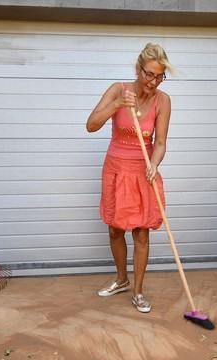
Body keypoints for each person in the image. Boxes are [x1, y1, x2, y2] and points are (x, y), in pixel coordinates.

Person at [86, 43, 172, 313]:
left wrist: (155, 163)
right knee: (114, 228)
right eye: (149, 74)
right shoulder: (118, 90)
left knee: (141, 232)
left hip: (142, 170)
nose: (154, 81)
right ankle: (121, 279)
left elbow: (160, 143)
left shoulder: (163, 100)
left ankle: (138, 291)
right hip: (115, 168)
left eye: (159, 76)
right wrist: (117, 104)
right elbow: (91, 125)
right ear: (138, 69)